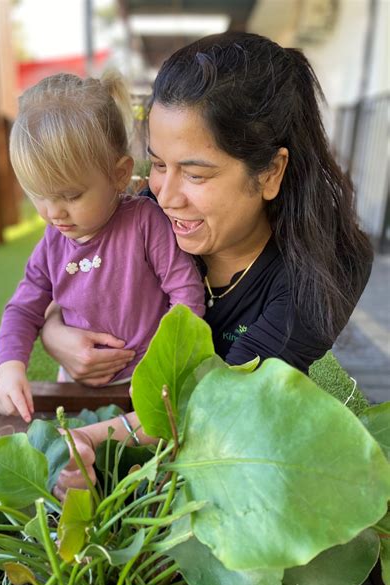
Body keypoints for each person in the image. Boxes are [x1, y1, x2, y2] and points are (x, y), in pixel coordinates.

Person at [44, 31, 373, 499]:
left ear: (271, 172)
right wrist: (55, 333)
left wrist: (94, 438)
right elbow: (72, 277)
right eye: (158, 165)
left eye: (196, 174)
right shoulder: (146, 218)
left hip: (238, 466)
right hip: (126, 432)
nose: (166, 195)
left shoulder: (323, 270)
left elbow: (222, 404)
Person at [0, 72, 205, 423]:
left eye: (71, 196)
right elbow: (22, 309)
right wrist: (10, 368)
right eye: (38, 195)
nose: (52, 211)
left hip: (143, 386)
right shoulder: (53, 241)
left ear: (119, 174)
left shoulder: (144, 223)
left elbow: (186, 296)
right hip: (77, 384)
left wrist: (165, 365)